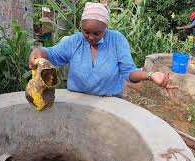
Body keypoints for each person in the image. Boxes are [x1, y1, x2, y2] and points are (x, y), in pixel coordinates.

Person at [29, 2, 176, 97]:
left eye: (96, 33)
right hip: (77, 100)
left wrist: (150, 75)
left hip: (109, 101)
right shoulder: (75, 41)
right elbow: (53, 54)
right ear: (81, 27)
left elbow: (129, 72)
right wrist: (39, 52)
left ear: (106, 28)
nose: (90, 37)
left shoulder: (117, 40)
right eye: (86, 32)